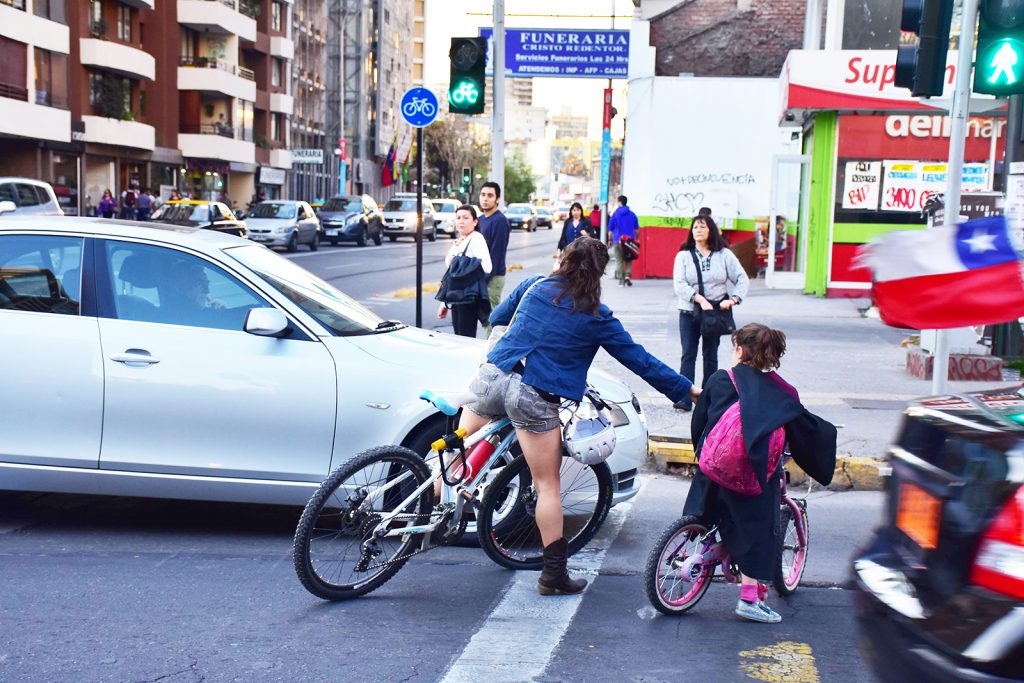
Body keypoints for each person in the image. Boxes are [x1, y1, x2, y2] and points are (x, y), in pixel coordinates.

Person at [458, 237, 701, 596]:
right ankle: (553, 575)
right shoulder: (596, 315)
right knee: (547, 486)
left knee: (457, 452)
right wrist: (686, 389)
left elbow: (497, 318)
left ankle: (429, 510)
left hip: (494, 376)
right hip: (534, 397)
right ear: (601, 272)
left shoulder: (534, 284)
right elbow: (639, 360)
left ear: (564, 259)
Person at [682, 323, 836, 624]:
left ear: (740, 350)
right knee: (760, 530)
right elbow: (805, 429)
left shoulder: (719, 379)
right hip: (750, 478)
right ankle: (749, 600)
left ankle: (695, 538)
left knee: (709, 494)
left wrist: (701, 453)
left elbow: (699, 422)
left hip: (713, 473)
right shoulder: (784, 393)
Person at [672, 214, 749, 411]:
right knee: (688, 354)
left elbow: (742, 278)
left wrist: (733, 299)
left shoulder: (724, 254)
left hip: (714, 313)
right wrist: (699, 299)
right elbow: (679, 284)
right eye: (695, 227)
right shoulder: (684, 255)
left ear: (710, 230)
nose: (698, 230)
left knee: (710, 356)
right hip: (689, 311)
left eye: (702, 227)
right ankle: (685, 397)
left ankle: (708, 397)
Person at [437, 205, 492, 338]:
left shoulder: (476, 238)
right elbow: (452, 274)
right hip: (457, 296)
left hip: (468, 296)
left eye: (466, 218)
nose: (461, 221)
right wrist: (444, 303)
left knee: (465, 338)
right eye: (458, 217)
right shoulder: (459, 241)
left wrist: (465, 263)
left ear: (475, 222)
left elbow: (487, 266)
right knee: (459, 337)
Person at [477, 181, 510, 336]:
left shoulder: (500, 221)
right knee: (484, 317)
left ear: (497, 199)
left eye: (490, 195)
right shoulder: (481, 219)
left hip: (493, 276)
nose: (485, 198)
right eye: (483, 195)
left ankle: (489, 355)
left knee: (492, 319)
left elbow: (496, 254)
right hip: (481, 276)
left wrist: (485, 279)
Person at [608, 195, 639, 286]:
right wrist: (636, 238)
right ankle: (627, 276)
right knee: (629, 259)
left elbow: (610, 230)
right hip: (629, 241)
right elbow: (636, 230)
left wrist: (610, 240)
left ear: (619, 202)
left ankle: (621, 281)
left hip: (618, 240)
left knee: (619, 260)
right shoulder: (632, 214)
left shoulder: (615, 214)